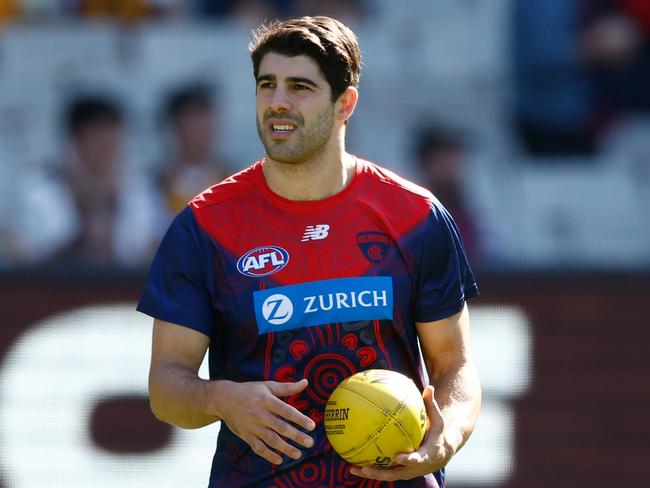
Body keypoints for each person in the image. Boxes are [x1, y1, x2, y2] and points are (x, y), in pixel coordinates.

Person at [138, 16, 481, 487]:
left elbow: (455, 365)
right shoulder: (205, 226)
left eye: (299, 86)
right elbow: (166, 386)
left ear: (345, 104)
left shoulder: (415, 216)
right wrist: (222, 399)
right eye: (267, 85)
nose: (277, 102)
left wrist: (446, 439)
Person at [9, 94, 164, 269]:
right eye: (99, 137)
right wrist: (90, 207)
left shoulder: (135, 188)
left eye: (113, 139)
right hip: (55, 290)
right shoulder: (39, 188)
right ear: (77, 138)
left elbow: (142, 251)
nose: (109, 148)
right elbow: (33, 255)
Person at [155, 82, 230, 219]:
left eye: (207, 116)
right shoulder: (154, 187)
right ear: (175, 126)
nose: (205, 127)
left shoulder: (235, 180)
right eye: (195, 118)